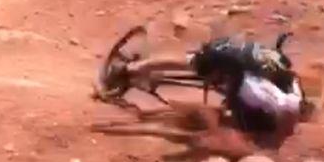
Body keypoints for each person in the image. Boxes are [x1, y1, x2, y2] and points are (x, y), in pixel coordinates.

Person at [124, 35, 305, 139]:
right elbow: (180, 61)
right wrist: (138, 67)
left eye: (210, 76)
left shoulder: (251, 91)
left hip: (280, 97)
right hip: (236, 68)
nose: (207, 80)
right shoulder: (217, 60)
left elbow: (290, 108)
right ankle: (133, 68)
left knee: (235, 123)